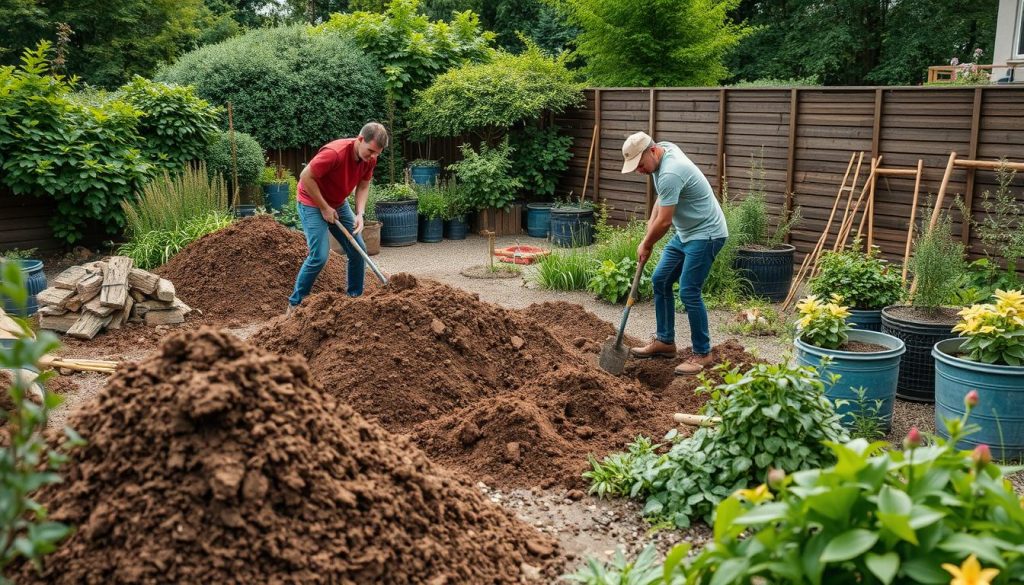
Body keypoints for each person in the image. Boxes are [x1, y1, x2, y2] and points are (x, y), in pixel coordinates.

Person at [621, 131, 729, 375]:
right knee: (660, 279)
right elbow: (661, 202)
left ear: (651, 151)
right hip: (687, 233)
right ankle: (665, 341)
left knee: (689, 290)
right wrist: (645, 237)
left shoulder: (671, 171)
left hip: (707, 233)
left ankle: (703, 353)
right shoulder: (663, 151)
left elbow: (665, 222)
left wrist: (648, 244)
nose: (639, 171)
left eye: (639, 165)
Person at [286, 122, 388, 315]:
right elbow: (305, 177)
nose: (373, 157)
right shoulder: (335, 153)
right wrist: (324, 208)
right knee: (319, 256)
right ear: (359, 140)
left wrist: (359, 213)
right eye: (371, 151)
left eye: (377, 154)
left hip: (338, 202)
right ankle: (295, 304)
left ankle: (354, 300)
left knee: (358, 250)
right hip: (311, 201)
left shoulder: (370, 159)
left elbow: (364, 185)